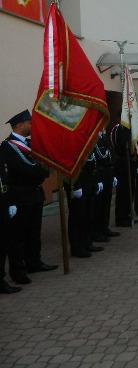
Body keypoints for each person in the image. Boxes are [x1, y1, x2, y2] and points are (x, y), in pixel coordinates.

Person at [0, 110, 57, 283]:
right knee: (18, 236)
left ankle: (34, 262)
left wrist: (41, 171)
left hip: (34, 193)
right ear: (19, 125)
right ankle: (18, 271)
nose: (32, 126)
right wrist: (41, 172)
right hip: (20, 196)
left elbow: (42, 166)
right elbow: (26, 169)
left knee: (34, 232)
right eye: (29, 123)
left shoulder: (30, 143)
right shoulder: (8, 146)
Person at [65, 152, 104, 258]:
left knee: (88, 216)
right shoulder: (72, 147)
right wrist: (75, 186)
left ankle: (87, 242)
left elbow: (93, 166)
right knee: (77, 217)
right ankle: (77, 247)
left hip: (88, 184)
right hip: (77, 185)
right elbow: (69, 167)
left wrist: (96, 182)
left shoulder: (88, 148)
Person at [93, 129, 120, 240]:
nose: (103, 128)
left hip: (108, 174)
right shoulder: (93, 139)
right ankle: (97, 231)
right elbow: (95, 162)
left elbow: (110, 158)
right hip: (99, 175)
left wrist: (113, 175)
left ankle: (105, 227)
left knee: (107, 203)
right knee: (98, 205)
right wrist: (98, 180)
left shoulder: (105, 138)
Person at [0, 156, 21, 294]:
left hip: (2, 202)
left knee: (3, 243)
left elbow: (6, 180)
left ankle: (1, 280)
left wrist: (10, 202)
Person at [111, 123, 136, 227]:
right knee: (123, 191)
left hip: (130, 161)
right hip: (122, 162)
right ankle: (121, 217)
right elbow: (116, 144)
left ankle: (128, 214)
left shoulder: (130, 128)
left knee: (131, 190)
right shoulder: (117, 128)